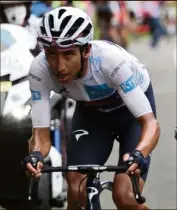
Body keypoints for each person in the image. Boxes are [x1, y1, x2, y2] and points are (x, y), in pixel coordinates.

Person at [23, 6, 160, 210]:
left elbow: (150, 124)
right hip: (92, 114)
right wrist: (36, 157)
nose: (59, 66)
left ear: (86, 50)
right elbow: (40, 135)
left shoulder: (110, 61)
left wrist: (140, 153)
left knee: (125, 197)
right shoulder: (39, 70)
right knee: (77, 189)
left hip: (130, 114)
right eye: (51, 54)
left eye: (68, 54)